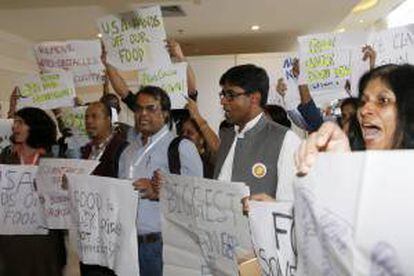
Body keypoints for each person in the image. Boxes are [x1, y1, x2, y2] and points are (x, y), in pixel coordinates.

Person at [118, 86, 203, 276]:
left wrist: (160, 192)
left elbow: (198, 197)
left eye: (151, 108)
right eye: (138, 109)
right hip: (129, 246)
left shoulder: (181, 148)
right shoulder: (128, 152)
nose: (143, 114)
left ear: (165, 114)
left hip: (163, 246)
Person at [296, 63, 414, 175]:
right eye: (363, 101)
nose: (363, 110)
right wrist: (339, 169)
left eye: (383, 101)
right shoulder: (355, 167)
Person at [214, 64, 301, 203]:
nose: (223, 101)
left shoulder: (286, 139)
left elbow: (292, 206)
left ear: (254, 98)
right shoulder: (227, 136)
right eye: (223, 94)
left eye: (230, 95)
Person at [0, 107, 66, 276]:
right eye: (15, 122)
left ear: (35, 127)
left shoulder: (51, 163)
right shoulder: (5, 160)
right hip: (10, 241)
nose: (15, 127)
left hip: (44, 241)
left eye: (20, 123)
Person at [103, 39, 198, 128]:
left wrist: (181, 56)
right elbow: (124, 92)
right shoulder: (144, 105)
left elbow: (192, 89)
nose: (144, 113)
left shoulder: (182, 108)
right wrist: (108, 65)